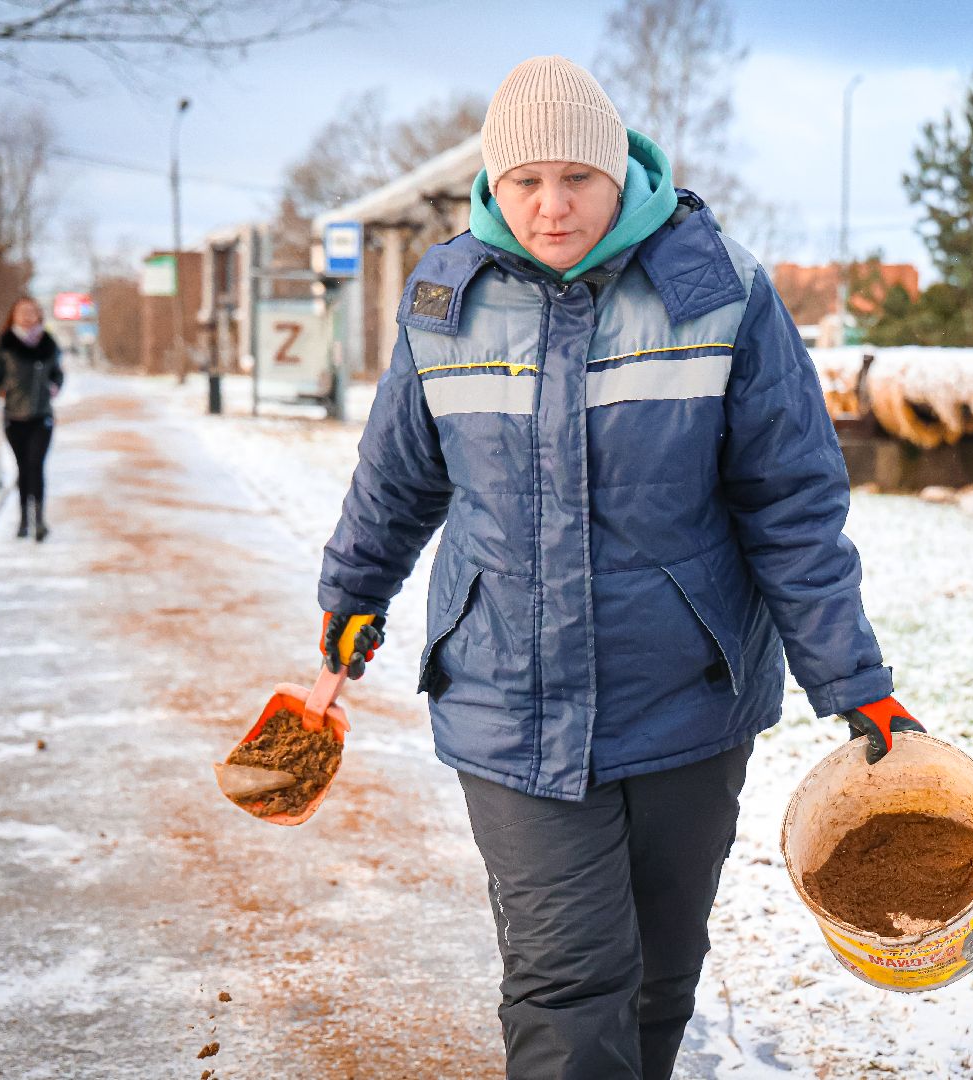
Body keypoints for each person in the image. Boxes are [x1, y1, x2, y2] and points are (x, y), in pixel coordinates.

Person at [317, 55, 920, 1079]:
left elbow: (789, 503)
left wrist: (855, 683)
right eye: (525, 182)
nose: (552, 207)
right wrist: (351, 599)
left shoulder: (719, 289)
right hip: (508, 700)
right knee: (567, 983)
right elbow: (397, 481)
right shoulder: (442, 299)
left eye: (577, 179)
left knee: (657, 977)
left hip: (686, 699)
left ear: (620, 171)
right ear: (492, 185)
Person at [0, 296, 63, 541]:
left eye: (32, 312)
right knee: (23, 468)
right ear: (14, 316)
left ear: (39, 315)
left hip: (42, 417)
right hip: (14, 418)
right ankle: (23, 520)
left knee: (36, 466)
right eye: (21, 312)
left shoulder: (48, 343)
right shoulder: (6, 343)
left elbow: (57, 374)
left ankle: (39, 521)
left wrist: (55, 386)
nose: (27, 316)